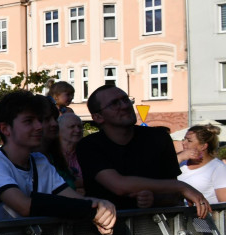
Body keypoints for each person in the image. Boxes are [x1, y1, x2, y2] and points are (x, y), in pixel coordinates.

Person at [0, 91, 117, 235]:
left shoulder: (39, 161)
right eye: (29, 121)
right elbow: (24, 206)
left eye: (39, 120)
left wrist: (101, 205)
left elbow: (73, 198)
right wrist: (89, 209)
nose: (39, 127)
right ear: (5, 129)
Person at [76, 85, 209, 216]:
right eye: (115, 103)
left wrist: (155, 198)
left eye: (125, 99)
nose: (125, 105)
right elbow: (118, 185)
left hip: (154, 230)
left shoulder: (158, 137)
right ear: (98, 117)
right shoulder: (89, 145)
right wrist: (181, 186)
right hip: (105, 232)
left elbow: (173, 196)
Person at [178, 124, 226, 205]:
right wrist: (179, 158)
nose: (183, 143)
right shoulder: (180, 161)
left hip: (205, 216)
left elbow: (223, 202)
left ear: (203, 146)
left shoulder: (218, 167)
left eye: (189, 141)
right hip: (181, 215)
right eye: (184, 139)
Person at [58, 111, 85, 192]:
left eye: (80, 127)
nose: (77, 130)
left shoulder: (87, 152)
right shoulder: (51, 154)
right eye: (72, 127)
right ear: (59, 129)